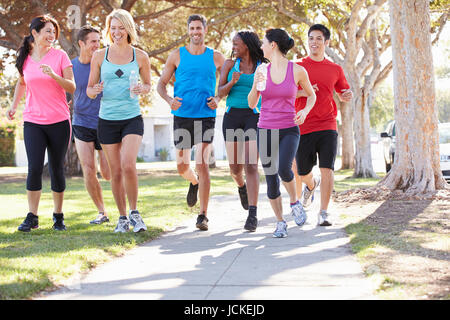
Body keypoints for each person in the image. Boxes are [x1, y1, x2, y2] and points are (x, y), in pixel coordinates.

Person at [6, 15, 75, 232]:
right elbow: (21, 82)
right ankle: (32, 216)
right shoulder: (26, 57)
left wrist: (54, 75)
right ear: (35, 33)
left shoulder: (60, 56)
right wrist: (13, 105)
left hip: (59, 121)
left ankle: (58, 216)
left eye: (54, 32)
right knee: (34, 167)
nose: (51, 35)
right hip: (33, 120)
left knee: (56, 168)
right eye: (47, 31)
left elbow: (72, 87)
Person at [157, 14, 225, 231]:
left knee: (202, 164)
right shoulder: (176, 56)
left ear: (205, 30)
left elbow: (229, 81)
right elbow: (161, 84)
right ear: (188, 31)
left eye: (199, 28)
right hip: (183, 116)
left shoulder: (216, 57)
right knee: (182, 166)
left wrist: (218, 98)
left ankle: (203, 215)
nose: (196, 32)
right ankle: (193, 182)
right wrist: (169, 100)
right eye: (192, 28)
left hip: (205, 116)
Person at [87, 9, 151, 233]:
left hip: (132, 117)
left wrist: (142, 88)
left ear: (128, 28)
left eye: (121, 27)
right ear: (108, 30)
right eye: (113, 28)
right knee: (115, 172)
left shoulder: (140, 56)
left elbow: (148, 86)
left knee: (128, 165)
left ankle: (135, 213)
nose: (116, 32)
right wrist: (95, 90)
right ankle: (122, 217)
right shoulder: (99, 56)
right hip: (107, 119)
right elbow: (89, 90)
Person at [248, 28, 316, 238]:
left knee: (284, 169)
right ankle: (280, 223)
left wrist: (304, 110)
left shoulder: (297, 71)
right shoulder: (261, 71)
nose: (261, 47)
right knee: (270, 178)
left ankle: (295, 203)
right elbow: (252, 104)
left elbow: (312, 96)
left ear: (273, 45)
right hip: (265, 128)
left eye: (264, 43)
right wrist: (256, 87)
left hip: (288, 128)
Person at [293, 24, 353, 226]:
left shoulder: (335, 69)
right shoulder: (298, 66)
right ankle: (311, 185)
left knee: (327, 168)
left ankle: (324, 212)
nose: (314, 42)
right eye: (311, 38)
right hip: (303, 125)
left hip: (328, 124)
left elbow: (343, 92)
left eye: (319, 38)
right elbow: (287, 93)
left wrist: (347, 95)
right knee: (302, 173)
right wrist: (306, 92)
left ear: (326, 43)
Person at [217, 30, 267, 232]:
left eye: (236, 44)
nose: (233, 47)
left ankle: (253, 213)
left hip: (254, 115)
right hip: (232, 116)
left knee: (251, 165)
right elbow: (219, 92)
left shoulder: (262, 67)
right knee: (235, 169)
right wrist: (232, 82)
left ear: (246, 45)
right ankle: (241, 187)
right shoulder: (230, 65)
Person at [71, 25, 111, 225]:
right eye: (93, 41)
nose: (97, 45)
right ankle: (102, 212)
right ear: (81, 43)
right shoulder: (71, 67)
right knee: (88, 168)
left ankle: (125, 204)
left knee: (107, 172)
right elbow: (67, 91)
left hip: (104, 122)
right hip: (81, 123)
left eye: (99, 41)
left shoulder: (105, 65)